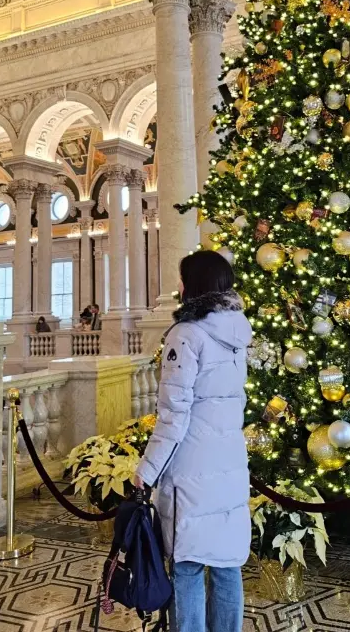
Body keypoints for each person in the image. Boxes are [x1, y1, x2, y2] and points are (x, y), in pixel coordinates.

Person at [133, 250, 252, 632]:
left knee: (186, 566)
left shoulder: (186, 335)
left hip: (192, 470)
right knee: (226, 565)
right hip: (230, 464)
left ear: (195, 284)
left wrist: (146, 471)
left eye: (182, 279)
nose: (178, 286)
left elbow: (173, 414)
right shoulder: (237, 332)